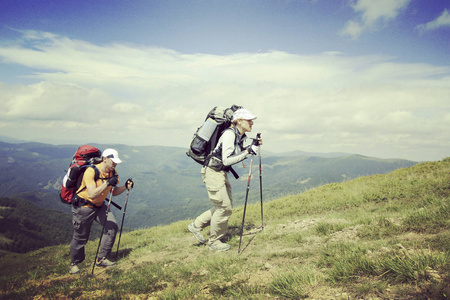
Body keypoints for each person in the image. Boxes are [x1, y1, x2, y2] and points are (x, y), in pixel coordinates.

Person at [188, 108, 262, 251]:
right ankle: (214, 242)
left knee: (223, 206)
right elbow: (227, 160)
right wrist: (247, 152)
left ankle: (196, 226)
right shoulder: (229, 134)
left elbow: (234, 153)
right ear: (238, 121)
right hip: (213, 172)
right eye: (249, 120)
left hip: (218, 172)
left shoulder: (237, 135)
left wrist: (250, 147)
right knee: (224, 207)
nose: (252, 123)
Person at [69, 148, 134, 275]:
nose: (114, 164)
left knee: (112, 226)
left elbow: (113, 193)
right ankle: (74, 264)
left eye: (116, 162)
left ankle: (102, 258)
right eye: (112, 161)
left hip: (100, 205)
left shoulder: (113, 173)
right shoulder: (91, 171)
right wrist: (107, 183)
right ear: (105, 159)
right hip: (84, 207)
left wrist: (125, 186)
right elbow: (92, 194)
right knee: (81, 236)